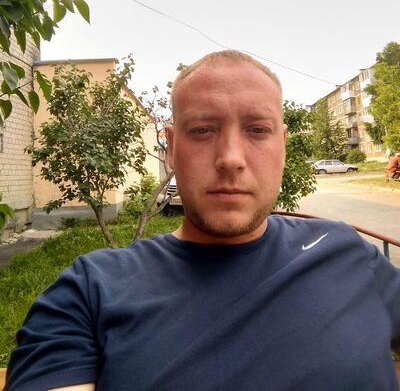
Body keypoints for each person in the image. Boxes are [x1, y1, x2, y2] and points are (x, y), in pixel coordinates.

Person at [5, 50, 400, 391]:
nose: (230, 158)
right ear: (172, 148)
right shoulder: (90, 291)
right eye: (202, 130)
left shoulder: (346, 251)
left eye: (257, 130)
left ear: (281, 145)